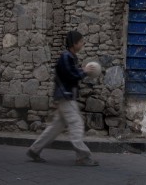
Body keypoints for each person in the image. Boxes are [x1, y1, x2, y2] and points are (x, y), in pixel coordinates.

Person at [26, 31, 99, 166]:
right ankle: (83, 157)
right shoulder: (66, 57)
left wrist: (82, 70)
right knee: (76, 124)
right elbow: (71, 75)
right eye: (81, 41)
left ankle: (34, 150)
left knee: (55, 127)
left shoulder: (70, 57)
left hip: (65, 96)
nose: (83, 44)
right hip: (66, 96)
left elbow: (71, 73)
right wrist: (85, 71)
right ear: (74, 43)